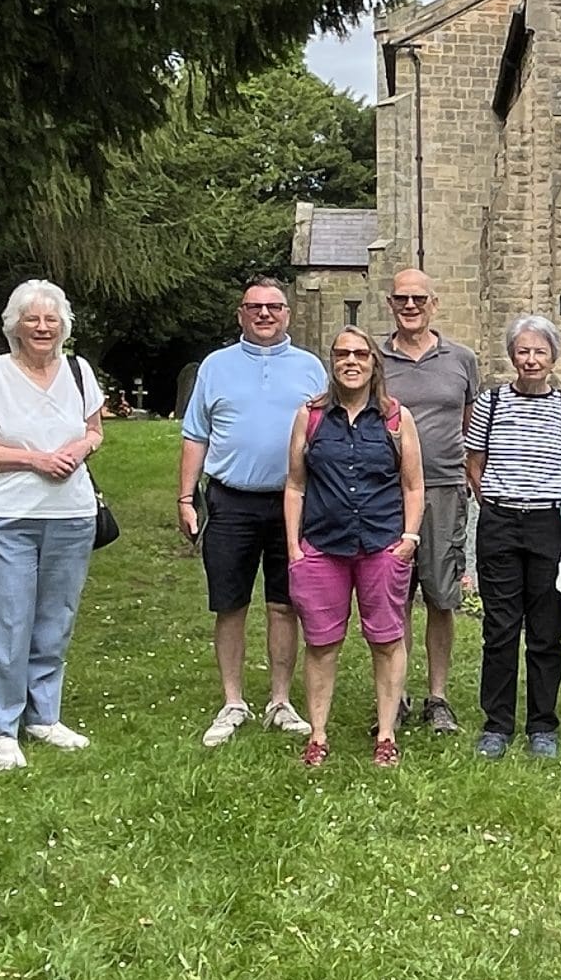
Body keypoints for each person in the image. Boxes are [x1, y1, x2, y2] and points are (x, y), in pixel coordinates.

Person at [0, 279, 105, 772]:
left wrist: (79, 448)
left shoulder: (79, 371)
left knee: (55, 620)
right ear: (14, 325)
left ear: (64, 325)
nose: (42, 327)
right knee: (6, 622)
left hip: (72, 516)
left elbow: (95, 430)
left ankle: (44, 717)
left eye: (51, 318)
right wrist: (34, 460)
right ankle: (0, 729)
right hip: (5, 517)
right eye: (32, 318)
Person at [178, 277, 328, 748]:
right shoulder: (216, 366)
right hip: (230, 500)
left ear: (288, 314)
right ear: (240, 314)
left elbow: (326, 432)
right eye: (254, 307)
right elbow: (196, 434)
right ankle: (233, 701)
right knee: (230, 604)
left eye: (274, 307)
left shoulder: (310, 368)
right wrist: (185, 498)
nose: (265, 314)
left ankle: (280, 701)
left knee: (285, 604)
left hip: (293, 503)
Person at [283, 328, 425, 768]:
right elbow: (295, 485)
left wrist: (409, 538)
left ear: (373, 363)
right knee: (322, 643)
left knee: (386, 640)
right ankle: (318, 735)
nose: (351, 361)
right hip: (322, 546)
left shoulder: (396, 418)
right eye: (342, 354)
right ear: (332, 361)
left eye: (360, 354)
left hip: (382, 544)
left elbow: (413, 486)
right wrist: (294, 548)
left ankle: (386, 734)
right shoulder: (310, 417)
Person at [464, 315, 561, 759]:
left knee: (546, 630)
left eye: (540, 351)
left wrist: (554, 501)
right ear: (512, 356)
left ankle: (542, 725)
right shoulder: (491, 402)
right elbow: (474, 462)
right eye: (523, 351)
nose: (531, 359)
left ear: (553, 356)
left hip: (548, 525)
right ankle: (497, 725)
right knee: (500, 628)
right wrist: (494, 501)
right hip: (500, 523)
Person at [379, 269, 480, 736]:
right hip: (386, 491)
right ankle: (395, 695)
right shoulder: (376, 358)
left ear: (434, 303)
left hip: (443, 488)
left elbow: (469, 422)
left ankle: (437, 698)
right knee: (394, 595)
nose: (410, 306)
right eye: (402, 298)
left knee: (441, 596)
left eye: (419, 298)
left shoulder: (461, 359)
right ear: (390, 303)